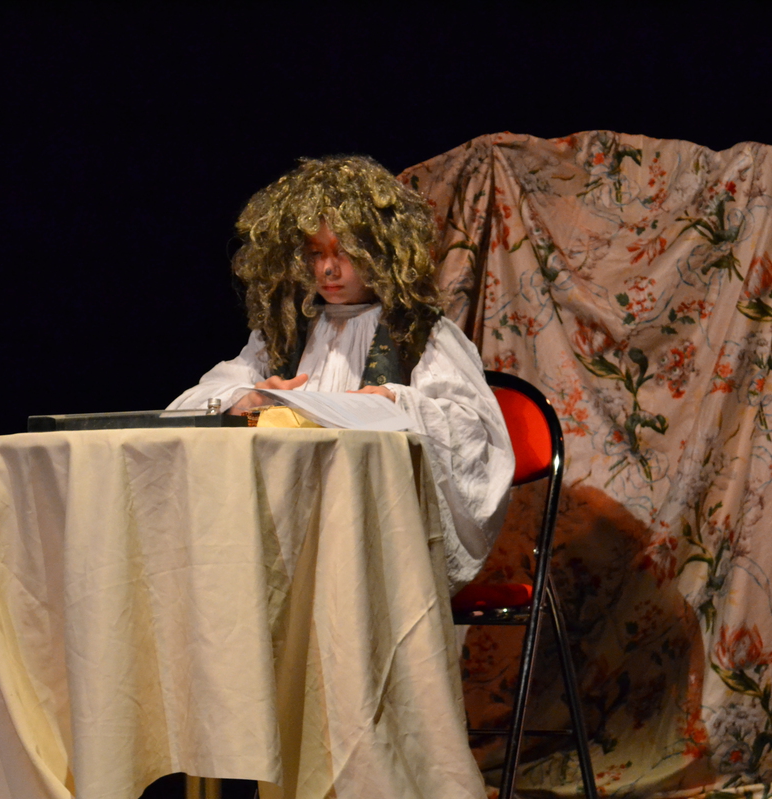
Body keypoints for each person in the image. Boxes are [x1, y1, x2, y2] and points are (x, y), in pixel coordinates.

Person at [168, 155, 513, 588]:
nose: (327, 269)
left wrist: (399, 403)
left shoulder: (420, 332)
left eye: (344, 252)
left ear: (383, 251)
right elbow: (188, 405)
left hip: (374, 533)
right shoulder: (285, 333)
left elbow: (472, 433)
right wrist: (247, 397)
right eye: (316, 254)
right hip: (284, 521)